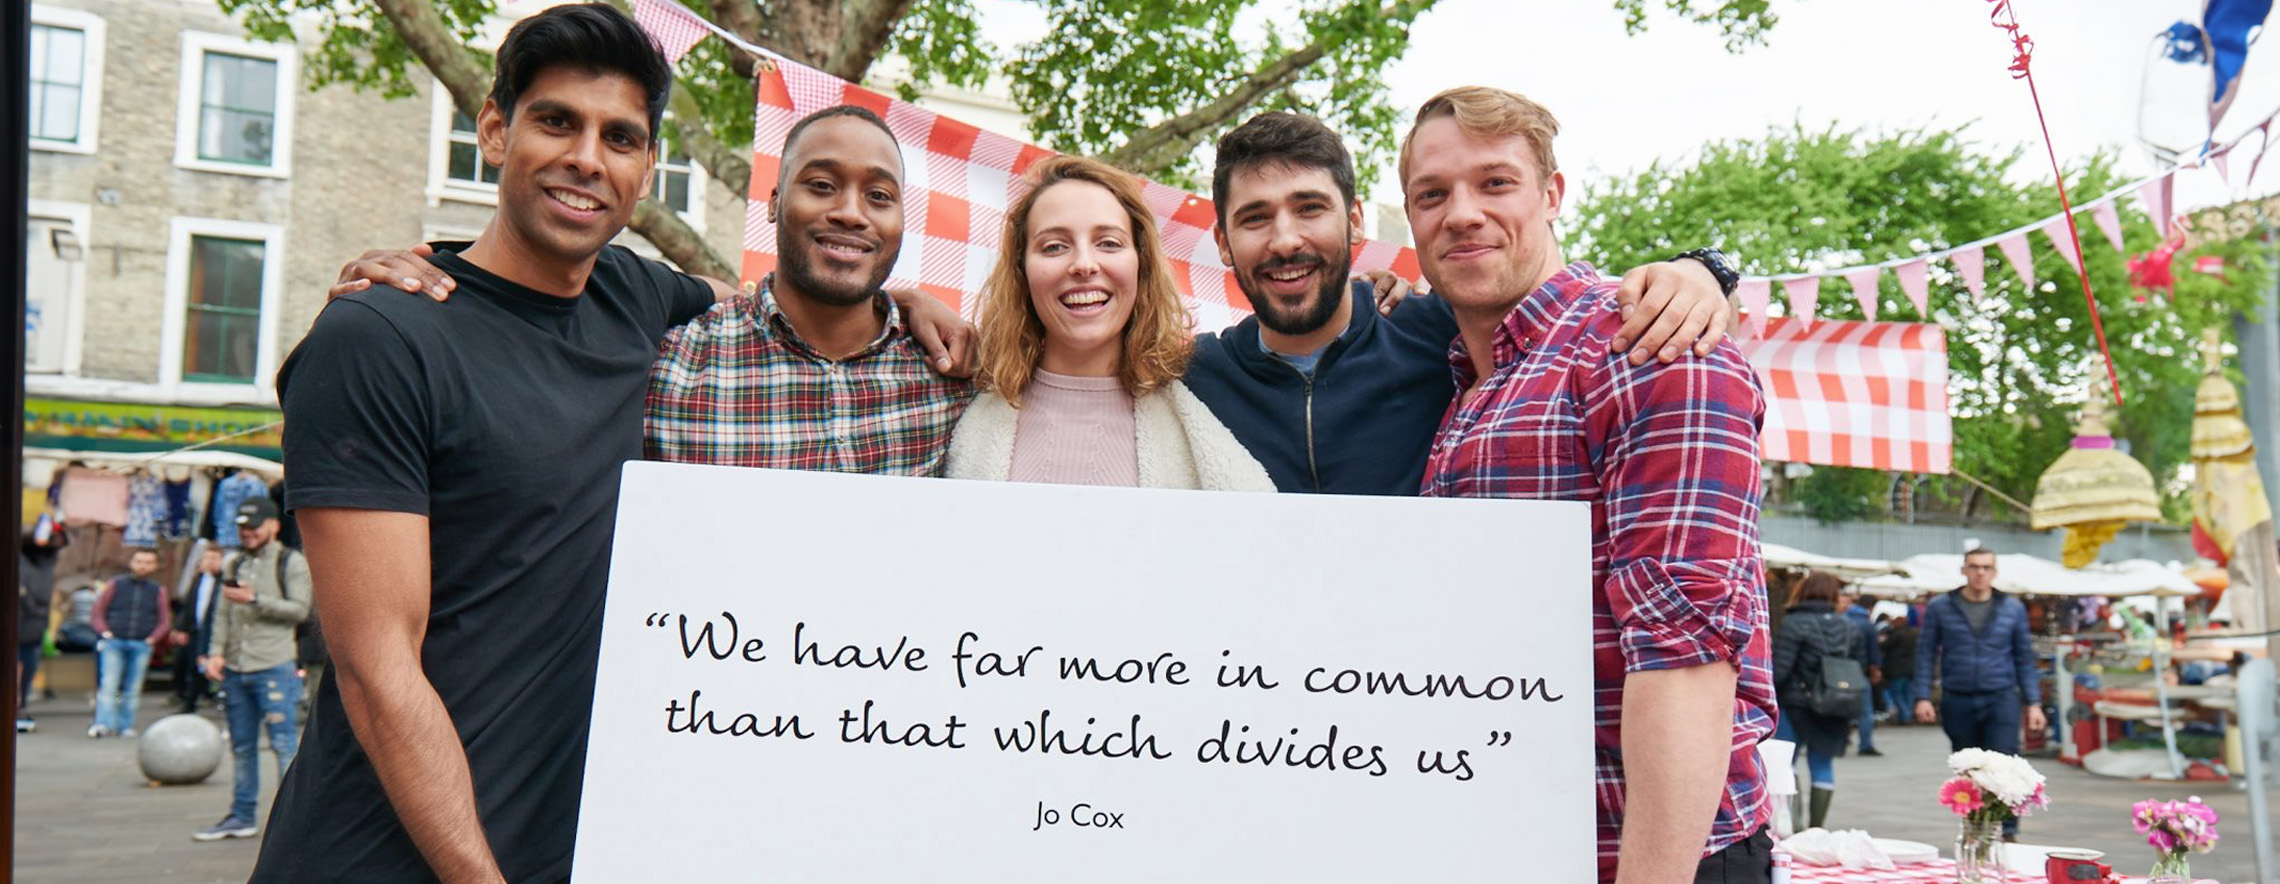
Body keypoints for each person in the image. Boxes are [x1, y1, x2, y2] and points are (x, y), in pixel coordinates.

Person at [253, 6, 732, 884]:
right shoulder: (381, 339)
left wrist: (915, 304)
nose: (588, 158)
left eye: (621, 138)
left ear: (648, 171)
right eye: (557, 122)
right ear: (495, 128)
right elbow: (376, 667)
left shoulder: (641, 300)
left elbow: (790, 313)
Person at [1402, 86, 1781, 884]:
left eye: (1495, 183)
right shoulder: (1463, 382)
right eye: (1431, 194)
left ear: (1553, 194)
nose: (1463, 214)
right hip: (1509, 879)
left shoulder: (1648, 346)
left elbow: (1686, 651)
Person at [1185, 110, 1739, 495]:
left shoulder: (1445, 334)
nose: (1285, 240)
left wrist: (1703, 272)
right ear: (1223, 243)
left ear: (1355, 222)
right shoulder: (1187, 378)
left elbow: (1574, 315)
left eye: (1309, 208)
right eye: (1255, 217)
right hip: (1254, 666)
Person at [644, 104, 976, 473]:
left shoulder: (955, 380)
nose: (851, 213)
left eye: (879, 195)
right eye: (822, 186)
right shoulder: (668, 371)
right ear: (774, 203)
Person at [948, 155, 1273, 490]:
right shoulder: (954, 401)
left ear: (1140, 263)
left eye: (1108, 243)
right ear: (1022, 270)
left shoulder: (1206, 401)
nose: (1084, 264)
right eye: (1054, 246)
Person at [193, 498, 312, 843]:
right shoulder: (234, 562)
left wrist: (255, 599)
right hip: (236, 667)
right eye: (243, 527)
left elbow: (301, 610)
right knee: (242, 747)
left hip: (274, 665)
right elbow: (221, 613)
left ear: (273, 525)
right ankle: (242, 816)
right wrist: (214, 653)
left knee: (284, 744)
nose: (248, 533)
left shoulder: (291, 561)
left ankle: (294, 822)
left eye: (254, 526)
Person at [1913, 547, 2045, 838]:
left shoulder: (2011, 608)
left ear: (1994, 572)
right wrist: (1922, 696)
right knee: (1968, 767)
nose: (1980, 573)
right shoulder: (1941, 607)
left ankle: (2008, 830)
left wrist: (2034, 703)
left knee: (2005, 765)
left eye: (1986, 567)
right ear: (1964, 570)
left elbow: (2024, 657)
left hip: (2001, 695)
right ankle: (1974, 827)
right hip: (1958, 697)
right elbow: (1925, 654)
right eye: (1974, 567)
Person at [1773, 572, 1862, 829]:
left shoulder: (1793, 623)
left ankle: (1796, 827)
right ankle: (1817, 828)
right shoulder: (1849, 626)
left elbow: (1781, 669)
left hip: (1795, 703)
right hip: (1836, 704)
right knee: (1822, 764)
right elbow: (1858, 665)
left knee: (1787, 763)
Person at [90, 547, 171, 739]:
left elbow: (164, 620)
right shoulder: (116, 585)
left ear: (155, 566)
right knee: (109, 685)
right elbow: (97, 611)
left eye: (148, 562)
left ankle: (125, 725)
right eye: (139, 561)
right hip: (114, 641)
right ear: (131, 563)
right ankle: (103, 724)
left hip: (141, 643)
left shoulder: (157, 590)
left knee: (132, 688)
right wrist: (105, 632)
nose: (143, 566)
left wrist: (152, 638)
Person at [17, 521, 65, 733]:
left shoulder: (46, 561)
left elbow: (61, 544)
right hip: (22, 623)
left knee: (27, 669)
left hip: (35, 626)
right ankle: (17, 709)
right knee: (17, 670)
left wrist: (55, 526)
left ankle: (21, 708)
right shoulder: (21, 561)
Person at [169, 544, 226, 713]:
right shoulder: (198, 579)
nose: (209, 562)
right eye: (206, 558)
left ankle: (213, 695)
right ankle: (189, 702)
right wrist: (182, 627)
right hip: (195, 628)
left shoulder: (223, 581)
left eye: (214, 558)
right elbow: (188, 605)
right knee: (192, 666)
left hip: (215, 629)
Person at [1839, 590, 1883, 755]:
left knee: (1840, 708)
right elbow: (1873, 651)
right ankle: (1865, 744)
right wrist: (1875, 669)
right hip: (1859, 671)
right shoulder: (1866, 624)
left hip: (1838, 671)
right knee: (1865, 711)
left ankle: (1841, 742)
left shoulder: (1842, 619)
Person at [1880, 606, 1919, 724]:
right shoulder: (1915, 633)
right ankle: (1907, 715)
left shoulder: (1895, 634)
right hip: (1912, 668)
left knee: (1897, 693)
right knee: (1908, 694)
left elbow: (1884, 646)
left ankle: (1905, 715)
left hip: (1896, 668)